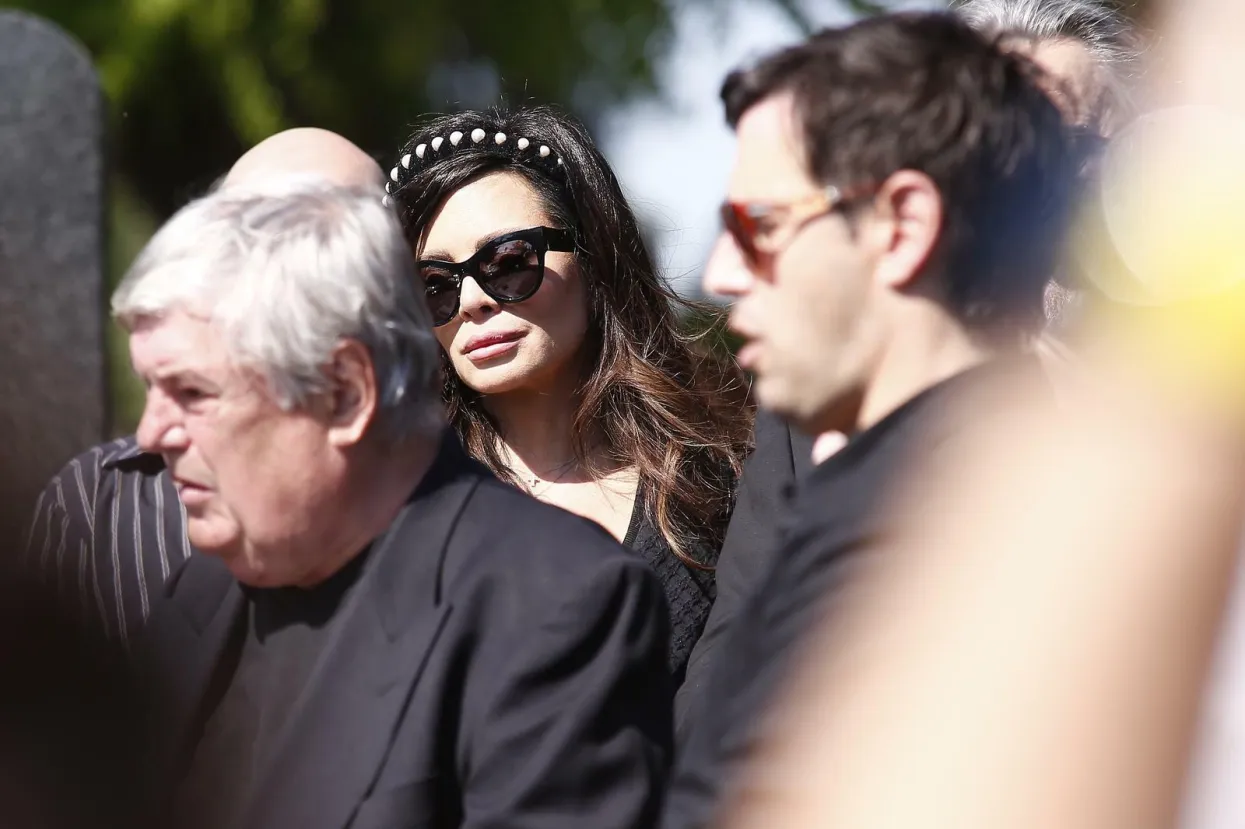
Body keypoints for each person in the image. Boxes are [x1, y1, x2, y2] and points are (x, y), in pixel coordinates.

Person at [120, 181, 671, 829]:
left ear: (346, 392)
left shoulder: (557, 607)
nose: (151, 433)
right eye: (152, 389)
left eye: (191, 391)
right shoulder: (204, 585)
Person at [664, 12, 1079, 829]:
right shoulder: (900, 488)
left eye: (760, 227)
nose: (720, 273)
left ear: (902, 226)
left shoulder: (1000, 541)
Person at [386, 106, 752, 684]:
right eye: (434, 285)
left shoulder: (721, 474)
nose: (476, 301)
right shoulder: (396, 509)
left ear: (592, 258)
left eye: (507, 262)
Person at [23, 128, 387, 643]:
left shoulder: (469, 486)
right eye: (246, 235)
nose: (160, 432)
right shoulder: (96, 510)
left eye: (329, 235)